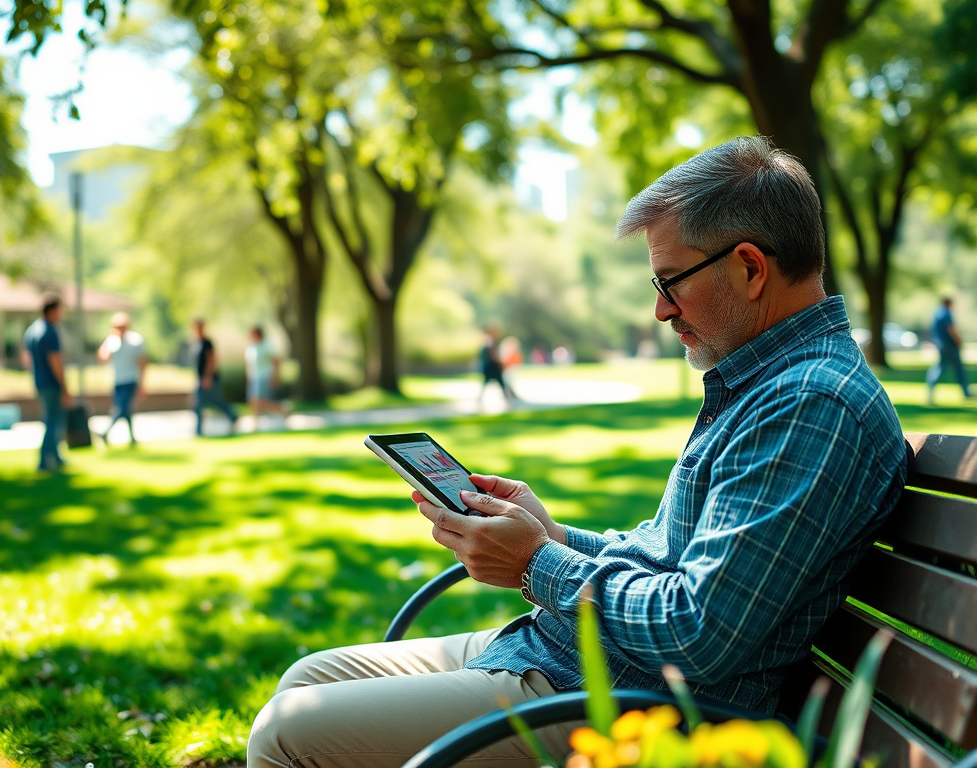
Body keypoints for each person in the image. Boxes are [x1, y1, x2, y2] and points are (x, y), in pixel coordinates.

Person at [247, 136, 909, 768]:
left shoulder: (808, 406)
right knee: (308, 678)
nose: (660, 311)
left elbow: (699, 633)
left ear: (750, 267)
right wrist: (554, 534)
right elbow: (667, 562)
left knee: (288, 736)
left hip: (629, 705)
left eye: (669, 282)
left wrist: (537, 564)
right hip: (580, 663)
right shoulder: (769, 384)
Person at [21, 294, 73, 472]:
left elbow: (26, 358)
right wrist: (65, 387)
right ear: (51, 311)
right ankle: (44, 460)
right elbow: (55, 362)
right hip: (51, 383)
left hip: (39, 382)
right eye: (60, 310)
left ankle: (56, 457)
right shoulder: (49, 332)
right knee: (53, 422)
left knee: (51, 420)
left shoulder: (32, 330)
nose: (61, 314)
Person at [96, 312, 147, 446]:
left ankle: (106, 431)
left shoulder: (136, 340)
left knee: (120, 409)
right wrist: (107, 339)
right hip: (118, 380)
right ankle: (132, 439)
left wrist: (141, 384)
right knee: (126, 410)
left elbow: (142, 363)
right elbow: (103, 358)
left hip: (131, 380)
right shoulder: (112, 341)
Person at [192, 318, 237, 436]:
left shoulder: (207, 343)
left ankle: (232, 416)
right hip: (200, 379)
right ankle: (199, 430)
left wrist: (208, 377)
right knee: (198, 404)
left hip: (209, 379)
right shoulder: (196, 343)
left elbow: (211, 361)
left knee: (215, 401)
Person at [925, 297, 971, 404]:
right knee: (948, 368)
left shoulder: (937, 313)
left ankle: (965, 391)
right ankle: (965, 392)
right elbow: (951, 329)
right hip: (949, 345)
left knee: (952, 367)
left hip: (941, 344)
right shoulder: (946, 314)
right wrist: (959, 340)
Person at [245, 326, 289, 429]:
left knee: (259, 401)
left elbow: (276, 361)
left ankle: (281, 409)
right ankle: (255, 423)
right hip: (254, 378)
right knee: (252, 401)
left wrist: (276, 376)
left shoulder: (267, 345)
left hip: (264, 376)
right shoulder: (251, 347)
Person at [477, 329, 515, 408]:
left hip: (490, 368)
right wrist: (500, 363)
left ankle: (508, 398)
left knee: (499, 384)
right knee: (500, 384)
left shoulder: (486, 344)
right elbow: (493, 356)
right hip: (492, 368)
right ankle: (508, 399)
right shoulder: (489, 343)